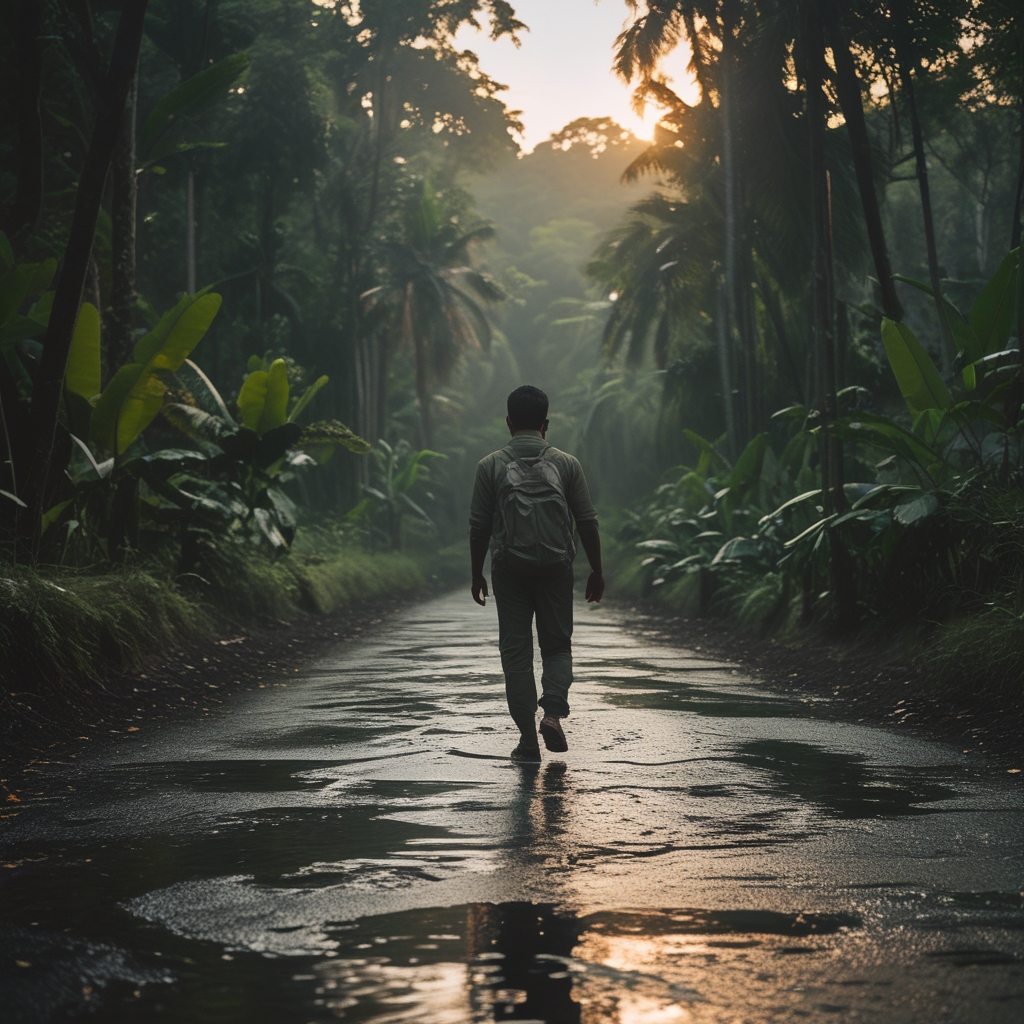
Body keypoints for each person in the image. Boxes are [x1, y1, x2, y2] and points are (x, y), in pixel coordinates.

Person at [469, 384, 604, 762]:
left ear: (509, 422)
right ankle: (554, 714)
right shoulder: (566, 463)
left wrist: (476, 572)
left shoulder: (490, 465)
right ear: (546, 423)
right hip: (557, 567)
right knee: (557, 646)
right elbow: (587, 521)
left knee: (516, 652)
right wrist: (596, 569)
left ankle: (528, 741)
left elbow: (479, 527)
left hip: (509, 569)